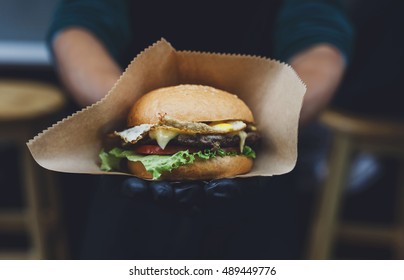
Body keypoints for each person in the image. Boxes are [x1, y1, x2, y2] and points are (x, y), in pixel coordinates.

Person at [47, 0, 354, 259]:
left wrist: (276, 119)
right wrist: (120, 108)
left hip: (261, 177)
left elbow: (318, 40)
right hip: (129, 189)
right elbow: (80, 26)